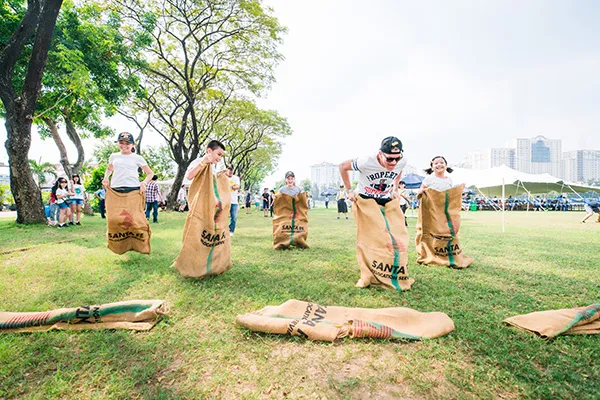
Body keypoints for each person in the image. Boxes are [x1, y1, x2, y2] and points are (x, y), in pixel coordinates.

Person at [339, 136, 407, 205]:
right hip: (365, 196)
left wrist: (395, 189)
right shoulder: (366, 161)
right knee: (375, 215)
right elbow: (343, 166)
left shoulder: (402, 161)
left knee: (397, 215)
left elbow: (399, 169)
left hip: (385, 198)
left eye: (397, 159)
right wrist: (349, 191)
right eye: (389, 159)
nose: (394, 162)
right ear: (380, 154)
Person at [225, 164, 240, 235]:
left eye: (231, 169)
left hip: (234, 201)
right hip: (225, 201)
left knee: (233, 217)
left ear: (233, 170)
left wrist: (231, 187)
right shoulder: (224, 178)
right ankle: (223, 230)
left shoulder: (236, 178)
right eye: (229, 169)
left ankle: (231, 231)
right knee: (223, 217)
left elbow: (237, 186)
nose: (230, 171)